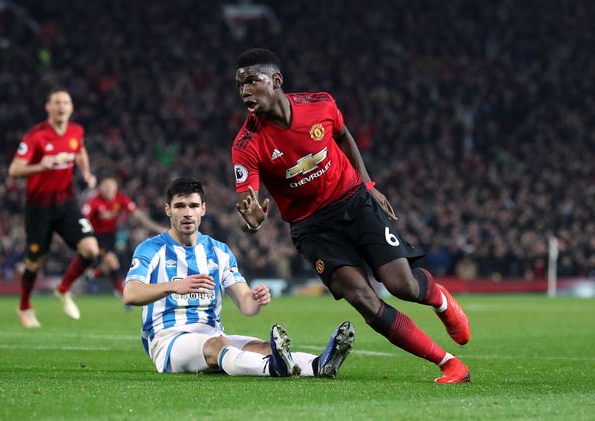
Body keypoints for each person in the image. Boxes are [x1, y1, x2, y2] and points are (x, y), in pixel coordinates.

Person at [231, 48, 471, 384]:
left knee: (401, 285)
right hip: (312, 228)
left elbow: (343, 136)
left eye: (252, 82)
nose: (245, 91)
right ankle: (449, 363)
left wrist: (368, 184)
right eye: (240, 85)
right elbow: (248, 202)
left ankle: (440, 301)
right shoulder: (247, 144)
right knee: (364, 300)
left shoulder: (320, 105)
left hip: (353, 202)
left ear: (276, 81)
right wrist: (251, 222)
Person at [123, 176, 354, 377]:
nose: (187, 213)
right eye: (179, 206)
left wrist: (256, 298)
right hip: (168, 339)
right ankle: (273, 369)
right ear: (167, 210)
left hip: (213, 334)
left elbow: (247, 306)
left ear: (203, 208)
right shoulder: (151, 249)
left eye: (193, 205)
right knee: (219, 346)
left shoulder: (219, 251)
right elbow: (130, 294)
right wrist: (174, 287)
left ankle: (318, 365)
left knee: (264, 348)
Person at [8, 88, 100, 327]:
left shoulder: (76, 131)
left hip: (65, 203)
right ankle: (25, 306)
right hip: (39, 208)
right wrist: (40, 166)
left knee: (91, 250)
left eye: (66, 102)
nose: (61, 106)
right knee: (35, 261)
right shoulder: (36, 136)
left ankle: (63, 289)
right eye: (57, 102)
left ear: (71, 108)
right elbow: (14, 170)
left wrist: (87, 173)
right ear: (48, 107)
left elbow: (79, 150)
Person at [80, 175, 165, 302]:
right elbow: (82, 220)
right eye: (107, 186)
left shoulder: (121, 199)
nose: (110, 190)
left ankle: (94, 275)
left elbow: (139, 216)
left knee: (113, 267)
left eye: (112, 187)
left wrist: (158, 229)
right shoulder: (93, 202)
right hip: (95, 237)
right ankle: (121, 293)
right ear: (100, 188)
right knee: (112, 262)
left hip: (111, 236)